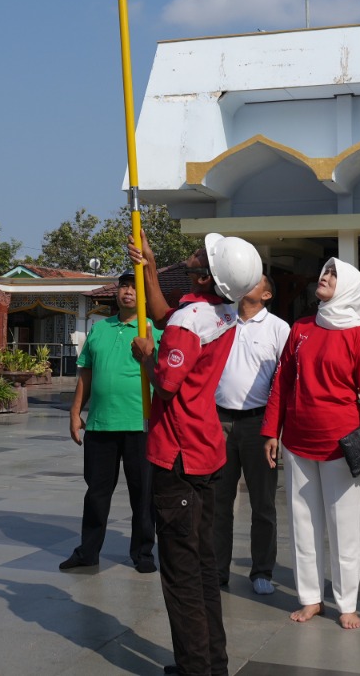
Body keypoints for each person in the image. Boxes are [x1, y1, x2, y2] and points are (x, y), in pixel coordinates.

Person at [129, 232, 263, 676]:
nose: (193, 254)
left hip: (178, 454)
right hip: (205, 449)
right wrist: (149, 265)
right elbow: (165, 315)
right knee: (203, 567)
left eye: (201, 255)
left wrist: (146, 356)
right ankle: (211, 663)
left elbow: (167, 385)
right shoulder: (221, 312)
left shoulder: (190, 322)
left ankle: (194, 669)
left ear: (205, 276)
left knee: (182, 574)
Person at [262, 257, 360, 630]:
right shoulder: (301, 327)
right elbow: (282, 383)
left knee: (344, 527)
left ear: (348, 286)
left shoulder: (359, 335)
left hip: (342, 447)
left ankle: (346, 603)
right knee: (303, 525)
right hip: (297, 442)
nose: (325, 276)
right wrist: (271, 431)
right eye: (324, 271)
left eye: (333, 273)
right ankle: (310, 598)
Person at [60, 271, 158, 574]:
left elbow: (164, 375)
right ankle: (88, 552)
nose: (128, 292)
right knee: (96, 492)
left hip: (140, 424)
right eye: (124, 286)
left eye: (134, 287)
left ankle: (143, 553)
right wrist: (76, 411)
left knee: (143, 494)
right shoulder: (100, 329)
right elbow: (86, 373)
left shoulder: (153, 330)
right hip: (101, 424)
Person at [212, 274, 289, 594]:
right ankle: (217, 571)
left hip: (259, 425)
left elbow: (285, 382)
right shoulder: (221, 319)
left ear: (267, 295)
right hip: (219, 420)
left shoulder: (279, 329)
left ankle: (262, 571)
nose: (248, 283)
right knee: (218, 502)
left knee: (263, 503)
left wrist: (276, 430)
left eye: (256, 281)